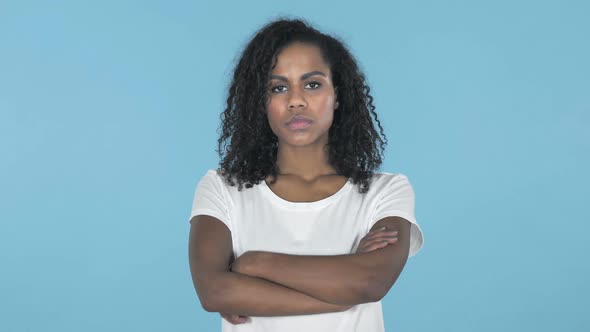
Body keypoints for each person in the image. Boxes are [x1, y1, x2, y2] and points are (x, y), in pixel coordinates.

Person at [187, 18, 424, 332]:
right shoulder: (222, 188)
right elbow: (215, 291)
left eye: (312, 84)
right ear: (262, 102)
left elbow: (370, 282)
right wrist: (342, 293)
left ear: (337, 95)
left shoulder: (385, 191)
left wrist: (253, 264)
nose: (295, 100)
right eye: (278, 87)